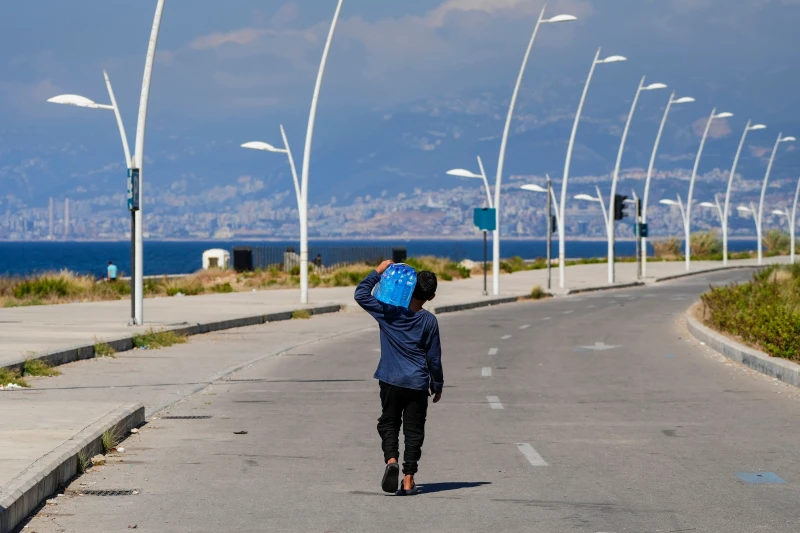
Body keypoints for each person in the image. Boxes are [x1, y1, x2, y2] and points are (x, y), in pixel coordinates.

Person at [354, 260, 444, 496]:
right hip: (417, 383)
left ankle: (391, 460)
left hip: (390, 379)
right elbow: (434, 358)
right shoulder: (429, 321)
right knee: (414, 431)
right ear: (431, 297)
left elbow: (361, 294)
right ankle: (408, 479)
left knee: (389, 422)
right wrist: (437, 385)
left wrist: (379, 271)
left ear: (409, 286)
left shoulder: (388, 312)